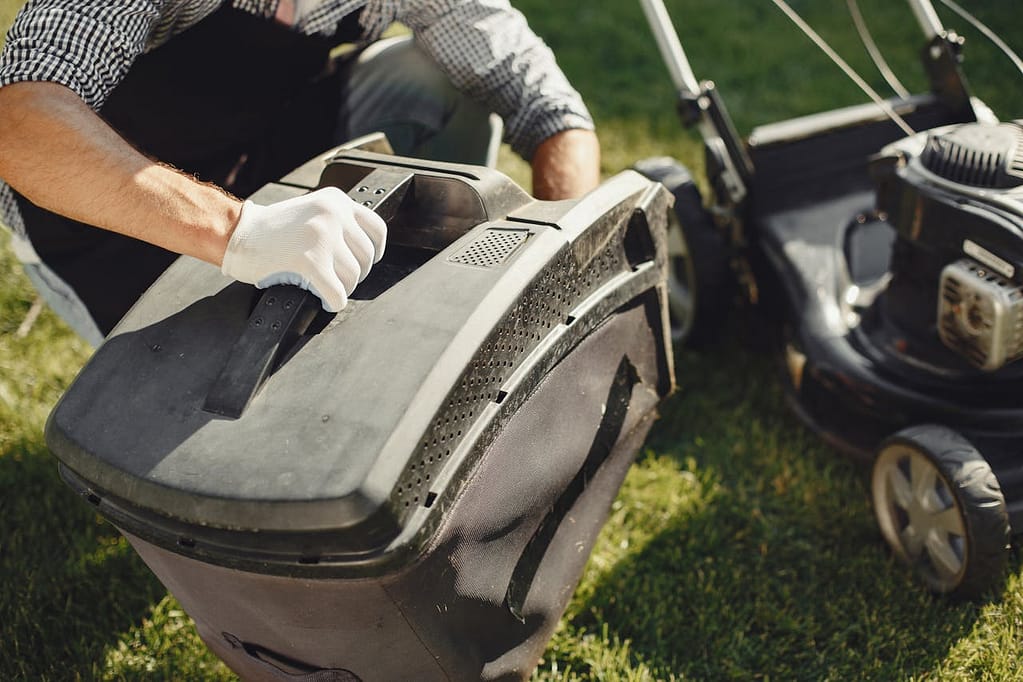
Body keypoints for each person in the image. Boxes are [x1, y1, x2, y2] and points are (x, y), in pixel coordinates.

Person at [0, 0, 600, 345]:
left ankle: (415, 315)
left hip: (253, 157)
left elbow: (544, 102)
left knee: (432, 78)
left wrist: (560, 270)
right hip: (97, 226)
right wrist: (241, 233)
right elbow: (20, 122)